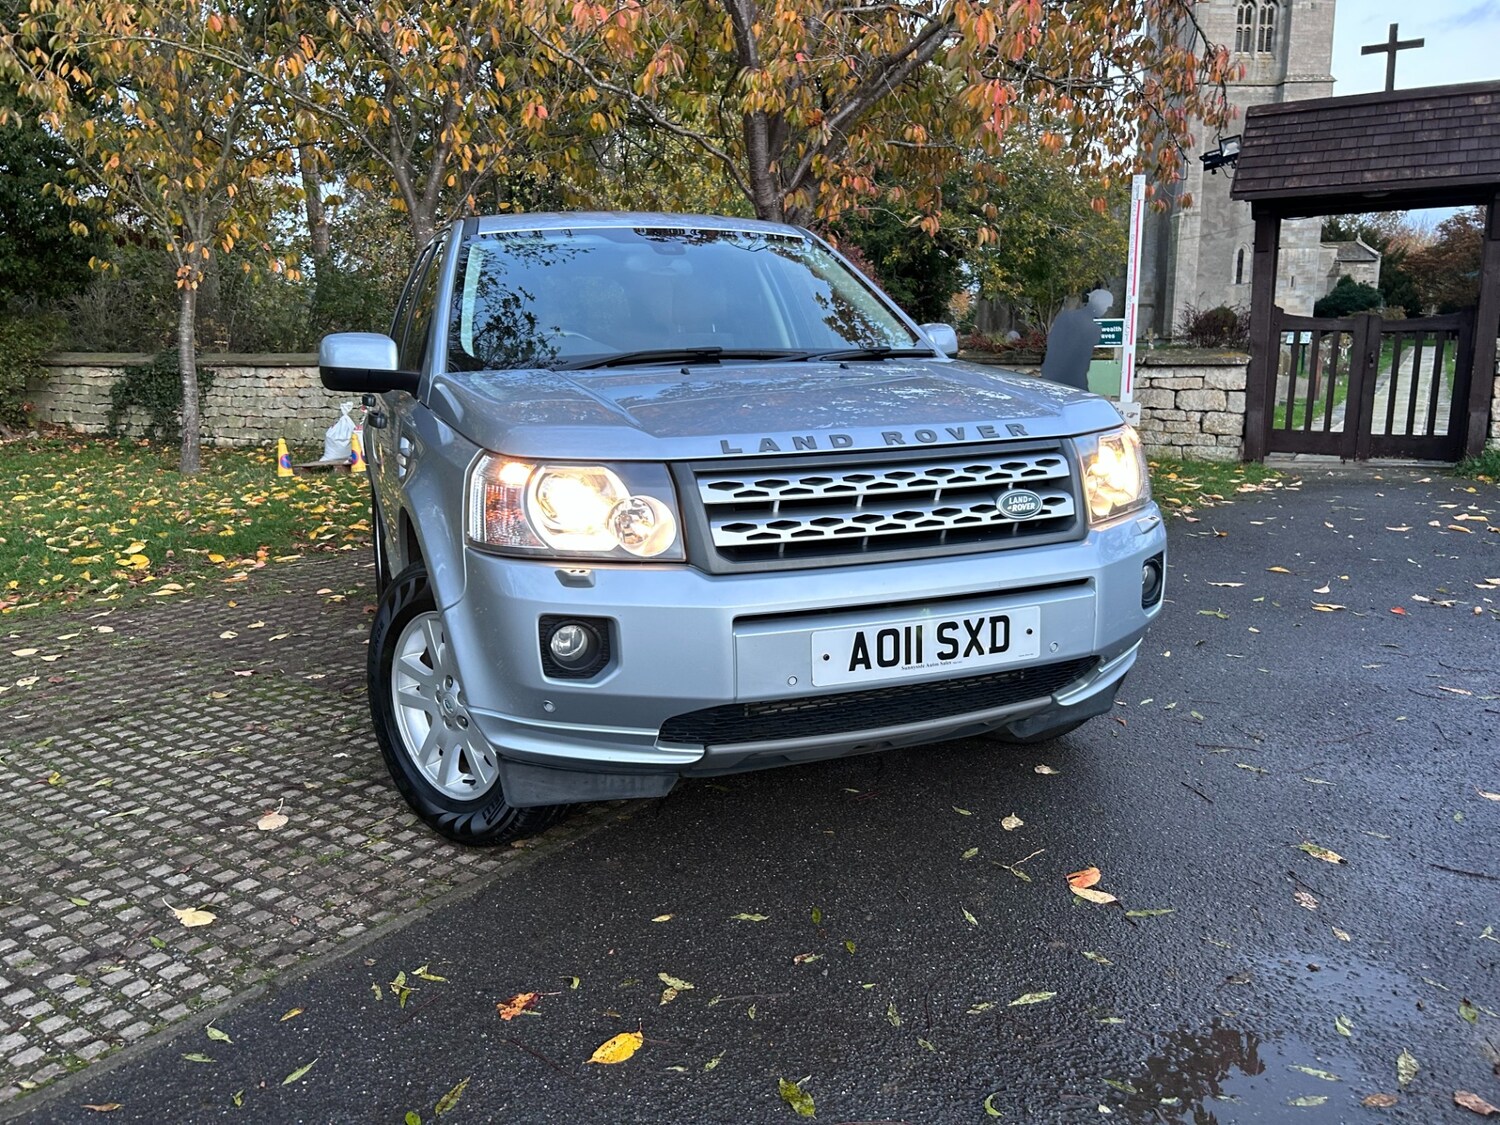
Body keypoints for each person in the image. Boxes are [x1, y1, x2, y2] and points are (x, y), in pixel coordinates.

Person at [1040, 289, 1113, 392]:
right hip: (1072, 379)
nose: (1106, 310)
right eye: (1106, 306)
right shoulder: (1093, 329)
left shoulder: (1066, 317)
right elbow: (1079, 358)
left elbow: (1052, 343)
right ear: (1100, 305)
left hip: (1052, 375)